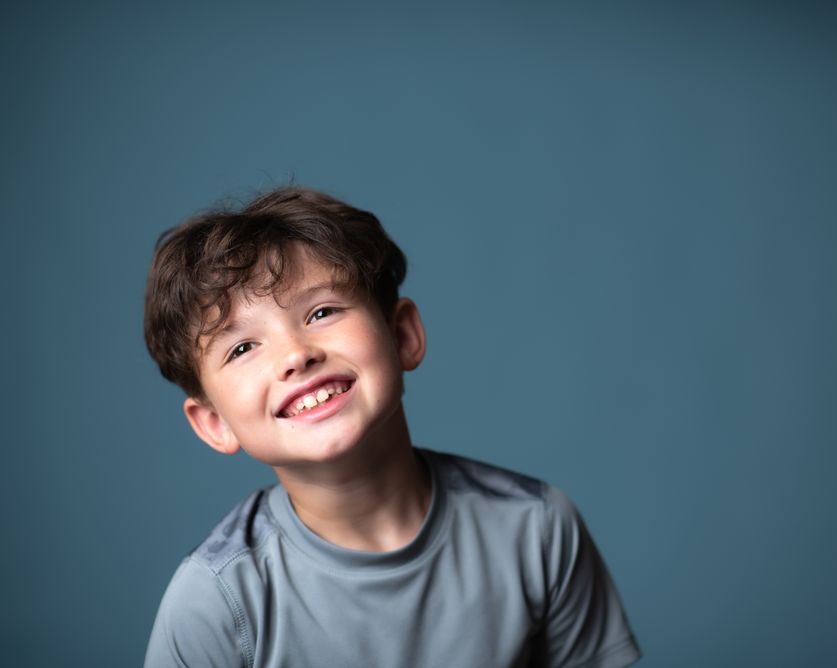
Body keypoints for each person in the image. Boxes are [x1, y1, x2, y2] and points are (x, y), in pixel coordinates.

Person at [142, 186, 641, 667]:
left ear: (402, 335)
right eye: (243, 348)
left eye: (321, 311)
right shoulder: (216, 602)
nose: (295, 355)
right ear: (213, 423)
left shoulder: (536, 529)